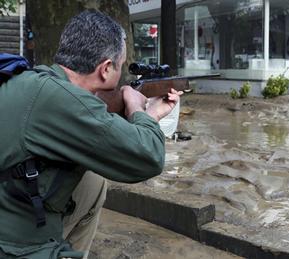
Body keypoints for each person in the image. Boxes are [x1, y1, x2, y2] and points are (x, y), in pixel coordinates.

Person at [0, 10, 182, 259]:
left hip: (11, 200)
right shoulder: (60, 101)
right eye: (121, 66)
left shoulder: (38, 81)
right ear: (106, 69)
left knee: (92, 183)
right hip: (11, 237)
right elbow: (148, 157)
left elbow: (100, 129)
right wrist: (142, 112)